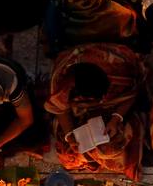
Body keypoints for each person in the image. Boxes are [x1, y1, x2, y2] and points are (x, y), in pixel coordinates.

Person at [45, 43, 147, 178]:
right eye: (93, 99)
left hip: (113, 104)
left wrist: (115, 119)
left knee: (112, 150)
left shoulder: (119, 69)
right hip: (82, 109)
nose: (101, 100)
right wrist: (70, 134)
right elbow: (59, 108)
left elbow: (131, 94)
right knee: (69, 155)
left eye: (102, 97)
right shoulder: (62, 82)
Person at [43, 0, 139, 54]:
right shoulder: (105, 4)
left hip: (74, 54)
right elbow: (126, 17)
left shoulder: (60, 8)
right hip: (110, 55)